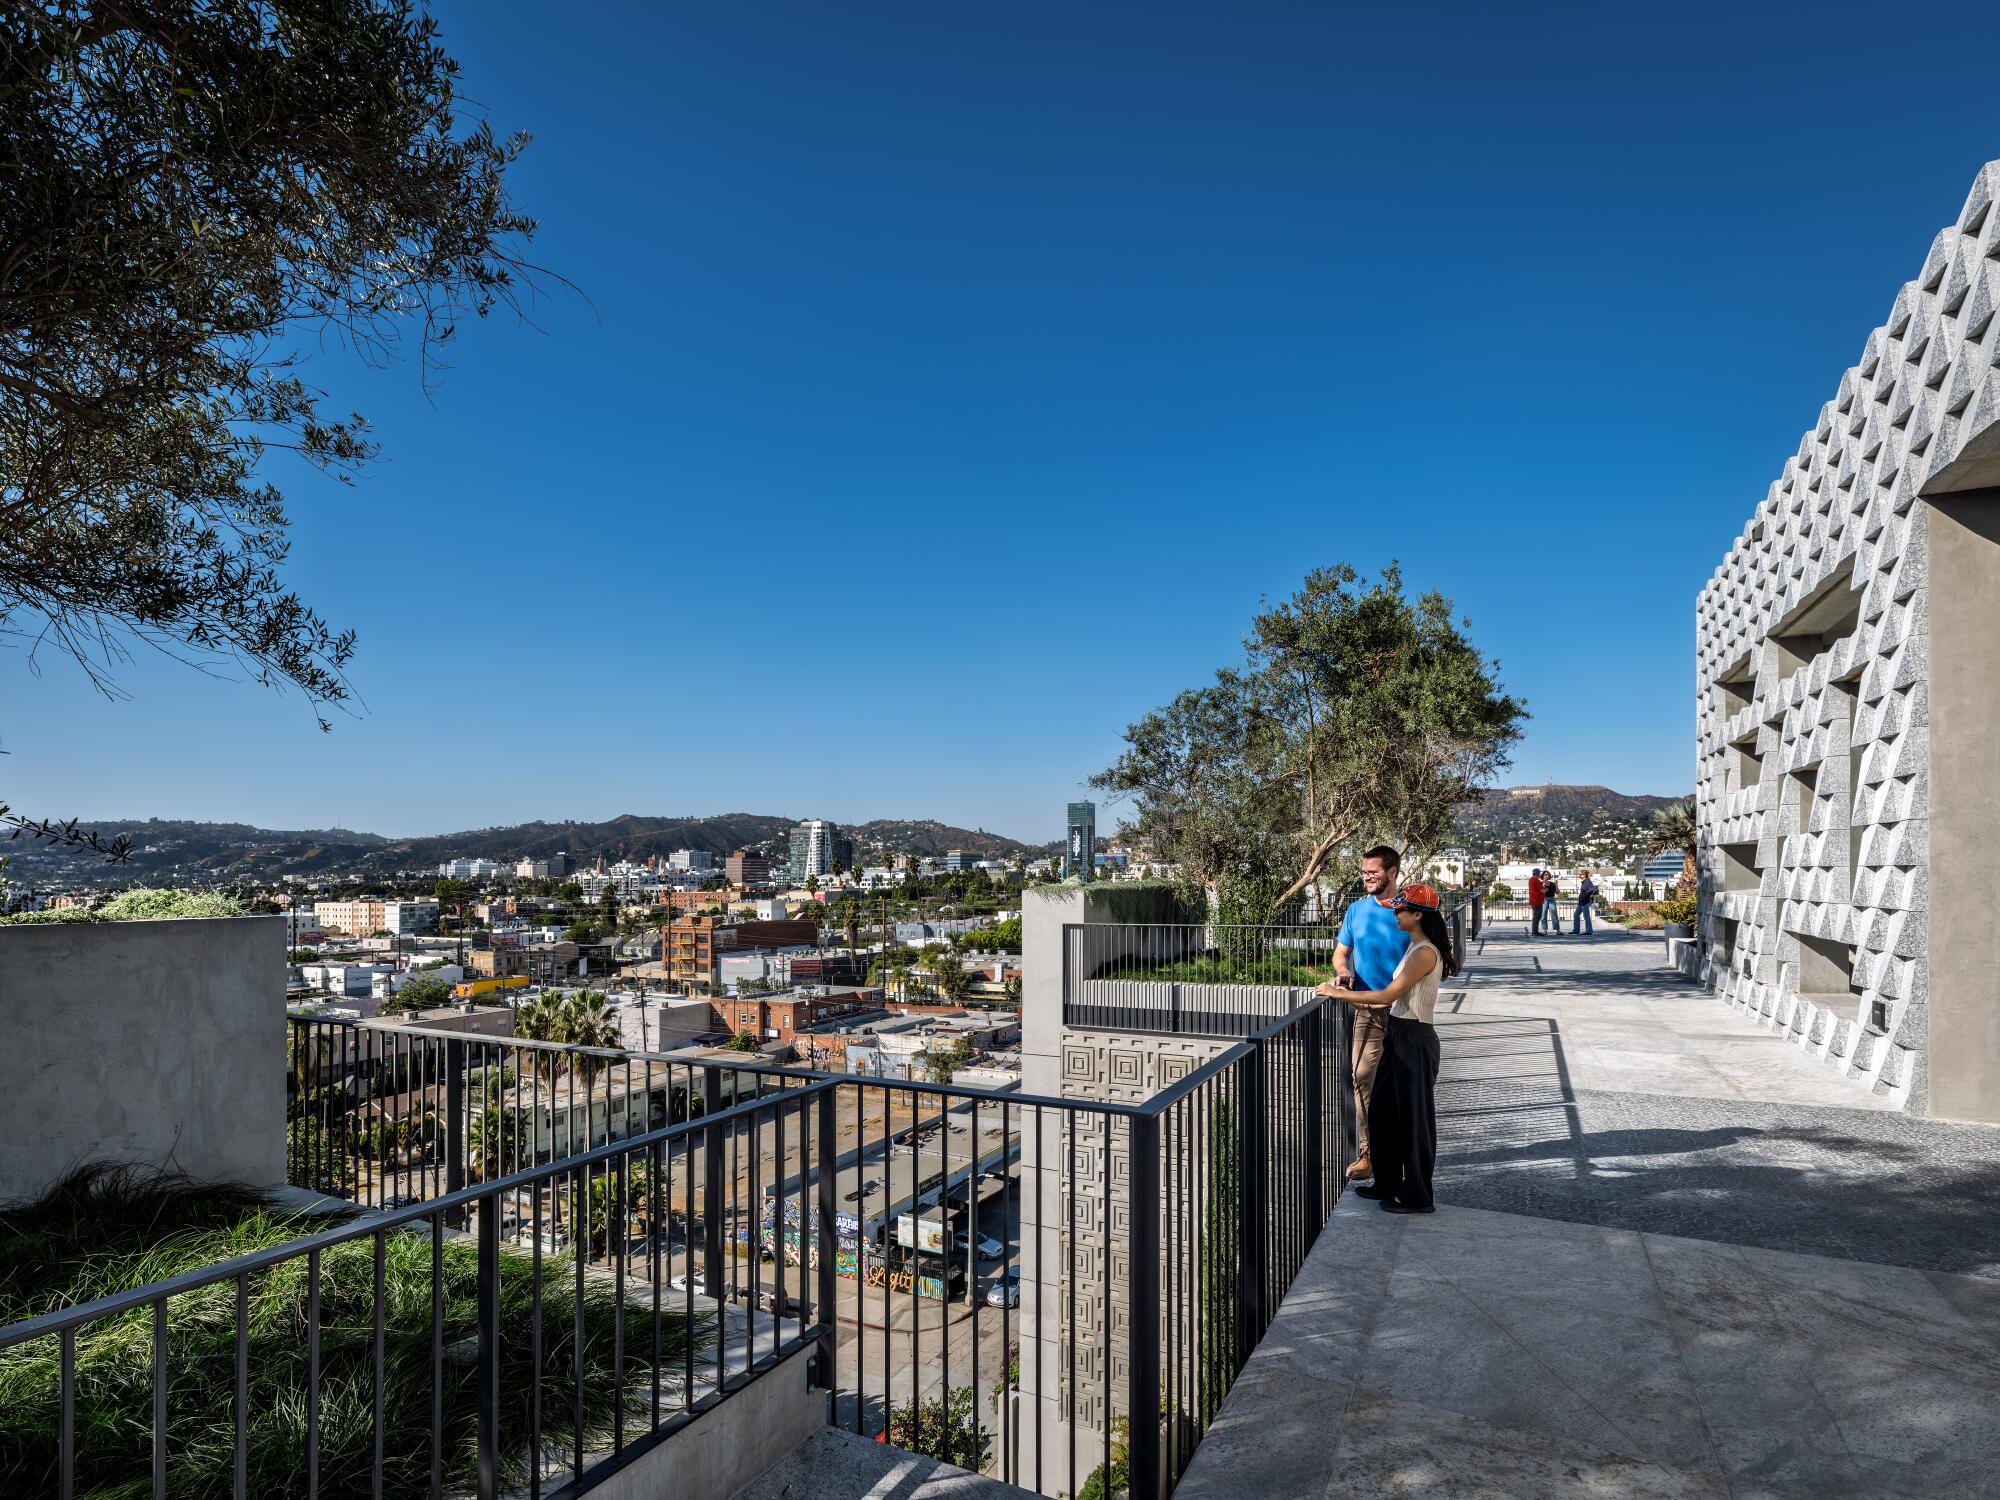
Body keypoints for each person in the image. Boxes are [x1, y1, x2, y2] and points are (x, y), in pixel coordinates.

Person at [1317, 883, 1459, 1214]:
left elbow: (1386, 996)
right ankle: (1387, 1182)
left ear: (1417, 916)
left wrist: (1340, 994)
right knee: (1381, 1110)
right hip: (1398, 1034)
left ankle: (1418, 1197)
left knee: (1414, 1120)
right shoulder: (1415, 947)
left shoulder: (1425, 953)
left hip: (1414, 1038)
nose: (1394, 914)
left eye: (1400, 910)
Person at [1332, 844, 1409, 1183]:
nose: (1366, 877)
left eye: (1373, 872)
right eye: (1364, 872)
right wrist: (1343, 972)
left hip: (1407, 1012)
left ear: (1392, 872)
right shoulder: (1356, 911)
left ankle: (1403, 1154)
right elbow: (1340, 953)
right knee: (1363, 1077)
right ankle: (1369, 1152)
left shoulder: (1410, 910)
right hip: (1367, 1010)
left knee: (1404, 1086)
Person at [1573, 870, 1599, 936]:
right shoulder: (1585, 882)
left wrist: (1591, 895)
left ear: (1585, 875)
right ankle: (1576, 930)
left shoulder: (1587, 881)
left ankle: (1589, 931)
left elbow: (1594, 889)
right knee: (1576, 914)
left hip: (1586, 901)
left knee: (1586, 916)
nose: (1580, 875)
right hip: (1582, 901)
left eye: (1581, 874)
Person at [1526, 868, 1544, 938]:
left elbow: (1539, 886)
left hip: (1533, 900)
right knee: (1537, 916)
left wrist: (1542, 882)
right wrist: (1546, 889)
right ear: (1538, 874)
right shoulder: (1536, 880)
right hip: (1537, 901)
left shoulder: (1531, 880)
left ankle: (1535, 931)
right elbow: (1543, 890)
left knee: (1536, 916)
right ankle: (1535, 932)